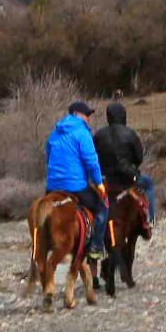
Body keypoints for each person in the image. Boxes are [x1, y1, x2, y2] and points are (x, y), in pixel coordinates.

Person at [45, 100, 106, 243]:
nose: (88, 118)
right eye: (86, 114)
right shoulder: (82, 133)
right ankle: (96, 248)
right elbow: (91, 162)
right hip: (75, 186)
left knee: (42, 218)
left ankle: (36, 254)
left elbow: (48, 157)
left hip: (52, 187)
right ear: (76, 114)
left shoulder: (54, 133)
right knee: (102, 210)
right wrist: (99, 183)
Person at [93, 100, 152, 225]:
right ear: (123, 115)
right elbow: (139, 158)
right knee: (148, 183)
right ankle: (149, 218)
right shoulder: (130, 133)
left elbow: (93, 157)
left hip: (106, 179)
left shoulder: (99, 135)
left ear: (108, 116)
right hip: (128, 179)